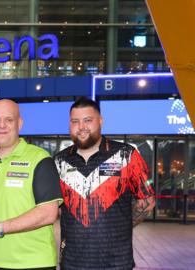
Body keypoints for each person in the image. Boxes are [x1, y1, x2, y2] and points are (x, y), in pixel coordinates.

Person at [54, 97, 156, 270]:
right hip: (72, 262)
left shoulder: (127, 155)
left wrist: (119, 226)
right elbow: (54, 208)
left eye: (88, 120)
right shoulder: (59, 161)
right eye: (75, 121)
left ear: (100, 121)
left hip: (116, 262)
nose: (81, 127)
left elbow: (147, 202)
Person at [0, 99, 62, 270]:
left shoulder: (40, 159)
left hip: (33, 263)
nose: (2, 125)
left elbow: (49, 213)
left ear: (19, 123)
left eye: (9, 120)